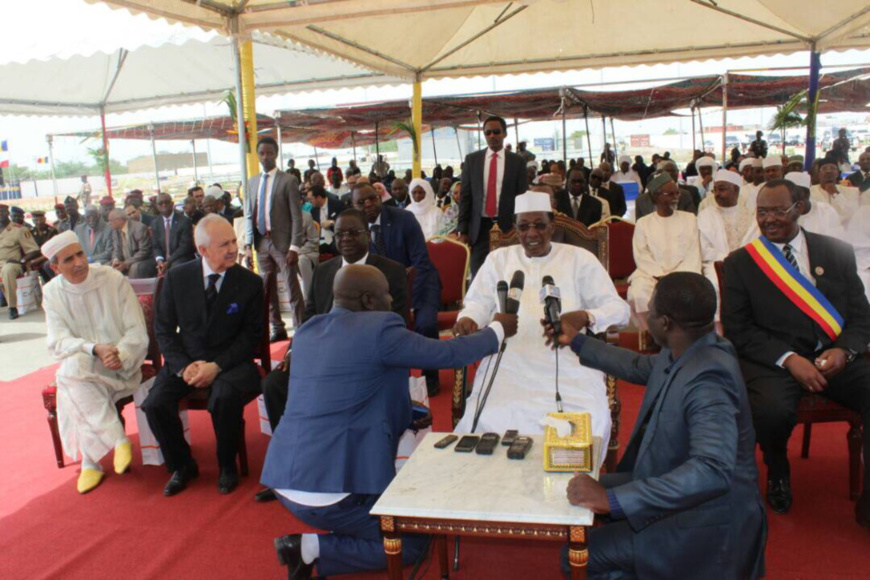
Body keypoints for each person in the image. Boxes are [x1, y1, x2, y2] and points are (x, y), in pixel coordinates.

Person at [263, 264, 517, 578]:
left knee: (392, 511)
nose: (393, 301)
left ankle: (338, 535)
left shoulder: (308, 330)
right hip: (332, 489)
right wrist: (498, 330)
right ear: (369, 300)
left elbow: (348, 390)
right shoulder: (380, 329)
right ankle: (310, 548)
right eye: (388, 295)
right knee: (414, 541)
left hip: (285, 476)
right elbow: (448, 355)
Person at [547, 272, 767, 579]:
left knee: (577, 556)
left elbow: (712, 470)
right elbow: (639, 366)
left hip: (704, 522)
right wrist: (578, 341)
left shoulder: (710, 381)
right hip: (676, 489)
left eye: (649, 311)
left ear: (664, 323)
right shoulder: (690, 346)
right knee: (575, 486)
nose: (645, 318)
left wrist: (611, 500)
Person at [722, 179, 870, 528]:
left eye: (778, 210)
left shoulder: (837, 252)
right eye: (762, 212)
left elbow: (862, 316)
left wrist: (844, 351)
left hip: (834, 356)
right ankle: (777, 468)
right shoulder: (742, 263)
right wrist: (790, 359)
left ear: (800, 208)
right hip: (774, 362)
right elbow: (738, 329)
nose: (769, 219)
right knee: (771, 410)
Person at [453, 191, 629, 452]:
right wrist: (468, 319)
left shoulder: (578, 259)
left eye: (539, 226)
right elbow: (478, 302)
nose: (531, 234)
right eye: (523, 227)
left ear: (552, 226)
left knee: (589, 418)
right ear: (516, 229)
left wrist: (585, 316)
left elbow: (619, 310)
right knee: (488, 418)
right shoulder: (498, 259)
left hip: (569, 359)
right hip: (509, 358)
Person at [259, 209, 410, 452]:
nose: (346, 239)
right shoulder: (324, 270)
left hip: (363, 359)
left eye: (353, 232)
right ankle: (289, 455)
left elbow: (398, 324)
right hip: (320, 355)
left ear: (368, 235)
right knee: (275, 384)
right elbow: (308, 318)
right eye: (339, 234)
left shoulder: (391, 271)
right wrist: (292, 351)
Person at [143, 215, 264, 496]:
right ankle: (182, 465)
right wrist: (183, 366)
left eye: (234, 241)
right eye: (224, 244)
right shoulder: (177, 277)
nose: (233, 249)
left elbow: (251, 336)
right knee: (155, 404)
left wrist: (217, 366)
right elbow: (163, 329)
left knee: (223, 397)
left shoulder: (249, 283)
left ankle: (226, 466)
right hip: (187, 360)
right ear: (203, 250)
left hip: (232, 362)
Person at [40, 231, 148, 494]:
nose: (79, 262)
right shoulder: (52, 292)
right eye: (69, 259)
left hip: (123, 364)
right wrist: (93, 349)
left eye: (80, 254)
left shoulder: (112, 279)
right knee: (72, 370)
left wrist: (118, 353)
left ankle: (92, 462)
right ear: (55, 268)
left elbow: (136, 329)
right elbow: (58, 341)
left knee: (69, 378)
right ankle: (115, 440)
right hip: (87, 365)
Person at [352, 182, 443, 395]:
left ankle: (431, 377)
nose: (368, 204)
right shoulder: (353, 228)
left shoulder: (404, 219)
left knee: (425, 323)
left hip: (419, 283)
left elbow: (421, 263)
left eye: (372, 198)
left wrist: (410, 304)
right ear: (353, 205)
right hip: (379, 293)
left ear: (380, 197)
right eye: (361, 202)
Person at [244, 137, 305, 342]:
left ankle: (300, 329)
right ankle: (277, 327)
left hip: (283, 244)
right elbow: (248, 214)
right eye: (262, 153)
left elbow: (297, 217)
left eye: (270, 153)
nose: (266, 157)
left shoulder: (288, 181)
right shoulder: (252, 182)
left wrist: (294, 247)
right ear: (258, 155)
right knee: (267, 289)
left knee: (291, 288)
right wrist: (247, 245)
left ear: (276, 154)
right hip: (261, 242)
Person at [628, 174, 702, 330]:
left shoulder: (690, 219)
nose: (676, 197)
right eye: (671, 194)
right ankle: (651, 333)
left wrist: (675, 276)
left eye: (677, 193)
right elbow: (641, 254)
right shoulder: (643, 223)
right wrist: (659, 275)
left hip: (684, 275)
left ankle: (683, 334)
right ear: (656, 196)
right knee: (639, 292)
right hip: (651, 275)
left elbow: (693, 252)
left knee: (687, 294)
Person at [458, 115, 528, 275]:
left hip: (508, 226)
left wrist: (520, 226)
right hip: (479, 227)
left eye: (496, 132)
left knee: (508, 271)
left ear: (504, 133)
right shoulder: (472, 160)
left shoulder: (517, 161)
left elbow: (522, 196)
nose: (492, 136)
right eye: (488, 133)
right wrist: (463, 229)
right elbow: (465, 197)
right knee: (479, 273)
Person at [698, 170, 755, 309]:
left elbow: (756, 244)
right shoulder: (706, 216)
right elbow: (705, 249)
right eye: (715, 190)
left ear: (736, 189)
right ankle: (720, 326)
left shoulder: (751, 214)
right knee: (714, 283)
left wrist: (741, 260)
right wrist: (729, 259)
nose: (717, 194)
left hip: (748, 263)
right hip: (717, 264)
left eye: (722, 189)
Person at [0, 204, 41, 319]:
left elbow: (34, 250)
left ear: (8, 214)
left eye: (2, 212)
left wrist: (22, 261)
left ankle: (12, 307)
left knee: (7, 270)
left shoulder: (19, 229)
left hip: (12, 263)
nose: (0, 214)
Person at [151, 192, 195, 275]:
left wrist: (168, 262)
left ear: (172, 204)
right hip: (163, 259)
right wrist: (160, 260)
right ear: (157, 206)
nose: (164, 205)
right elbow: (156, 246)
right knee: (142, 268)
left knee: (175, 269)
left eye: (166, 202)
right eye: (160, 203)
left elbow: (185, 247)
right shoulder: (155, 223)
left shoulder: (184, 221)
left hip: (180, 258)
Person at [811, 155, 861, 226]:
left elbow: (853, 213)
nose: (829, 171)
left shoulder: (852, 192)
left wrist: (836, 194)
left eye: (832, 168)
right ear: (819, 173)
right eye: (824, 169)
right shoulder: (810, 192)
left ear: (838, 173)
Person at [107, 208, 157, 279]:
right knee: (106, 267)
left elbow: (144, 251)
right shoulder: (115, 231)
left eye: (111, 220)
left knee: (134, 268)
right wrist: (116, 260)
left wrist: (126, 263)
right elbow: (116, 250)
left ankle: (133, 289)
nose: (109, 223)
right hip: (126, 261)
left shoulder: (139, 228)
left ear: (120, 220)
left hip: (144, 260)